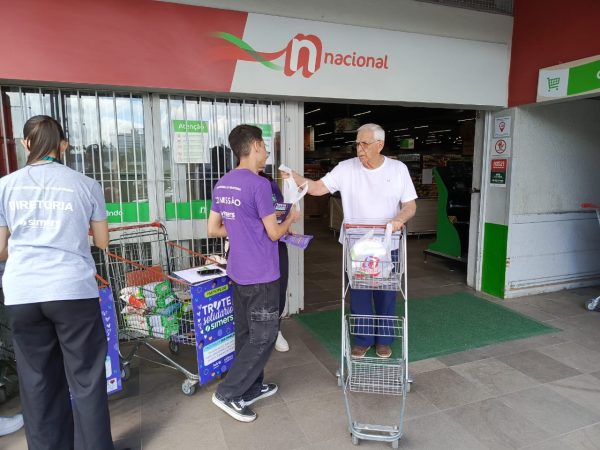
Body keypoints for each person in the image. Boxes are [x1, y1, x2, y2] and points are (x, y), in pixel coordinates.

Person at [0, 116, 113, 449]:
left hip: (23, 293)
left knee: (36, 381)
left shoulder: (5, 186)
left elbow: (1, 250)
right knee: (86, 379)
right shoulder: (86, 184)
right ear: (62, 146)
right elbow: (103, 241)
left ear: (26, 144)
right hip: (72, 291)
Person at [284, 123, 417, 359]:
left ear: (380, 145)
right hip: (358, 247)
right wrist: (293, 176)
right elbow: (316, 188)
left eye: (364, 144)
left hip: (388, 246)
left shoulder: (398, 169)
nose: (359, 149)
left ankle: (384, 341)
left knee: (386, 294)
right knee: (359, 294)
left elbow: (410, 205)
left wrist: (399, 218)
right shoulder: (346, 169)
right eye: (357, 144)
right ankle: (363, 340)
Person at [208, 125, 299, 422]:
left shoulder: (222, 183)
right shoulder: (258, 184)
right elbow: (274, 234)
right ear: (256, 146)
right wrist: (293, 217)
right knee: (264, 336)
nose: (267, 154)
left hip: (237, 274)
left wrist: (242, 231)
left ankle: (251, 387)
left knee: (246, 335)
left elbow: (213, 229)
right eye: (266, 147)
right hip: (262, 276)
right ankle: (228, 392)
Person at [258, 170, 290, 352]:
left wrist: (287, 225)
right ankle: (257, 333)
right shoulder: (241, 184)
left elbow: (281, 212)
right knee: (257, 292)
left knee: (279, 288)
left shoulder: (270, 183)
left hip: (277, 245)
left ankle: (275, 330)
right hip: (253, 247)